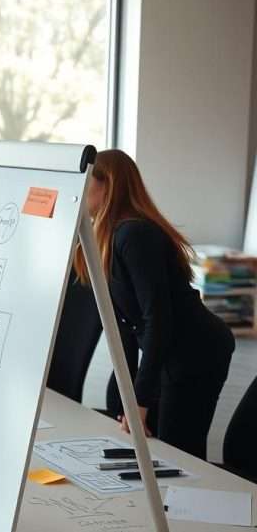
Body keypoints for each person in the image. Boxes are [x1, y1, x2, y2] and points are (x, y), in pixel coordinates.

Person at [75, 149, 235, 460]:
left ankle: (187, 506)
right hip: (164, 346)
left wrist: (140, 400)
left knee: (179, 452)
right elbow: (121, 320)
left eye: (87, 182)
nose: (80, 191)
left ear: (107, 184)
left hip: (196, 351)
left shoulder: (135, 234)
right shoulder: (105, 236)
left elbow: (157, 318)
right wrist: (130, 390)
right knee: (121, 407)